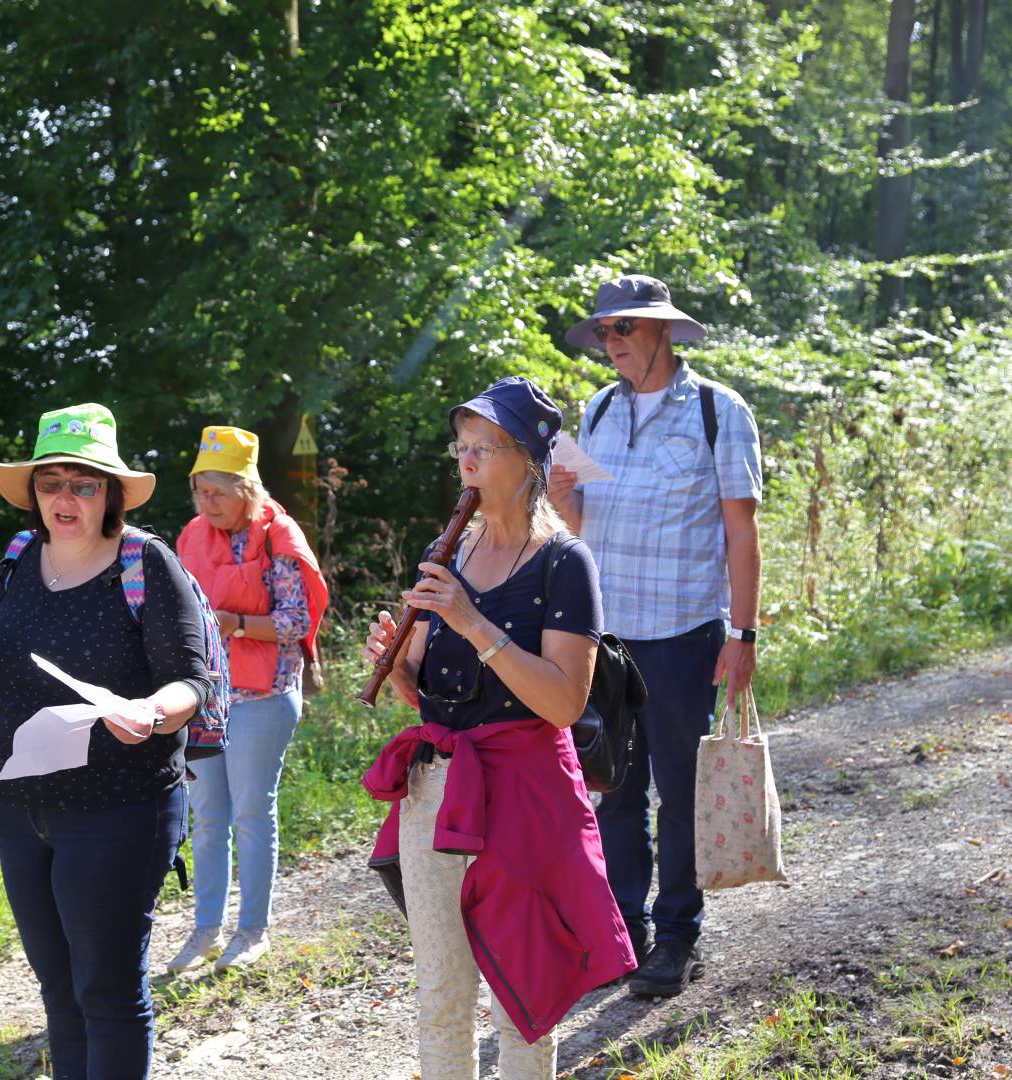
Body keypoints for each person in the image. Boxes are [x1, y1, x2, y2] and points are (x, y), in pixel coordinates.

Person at [362, 377, 636, 1080]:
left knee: (525, 994)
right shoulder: (446, 547)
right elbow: (422, 693)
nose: (468, 462)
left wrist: (470, 621)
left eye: (484, 447)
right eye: (462, 447)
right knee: (442, 989)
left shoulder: (565, 561)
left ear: (528, 459)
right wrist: (393, 662)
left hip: (527, 790)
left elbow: (564, 703)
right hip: (437, 790)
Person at [0, 403, 217, 1079]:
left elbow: (189, 682)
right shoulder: (20, 559)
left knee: (105, 994)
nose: (65, 498)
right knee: (59, 993)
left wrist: (150, 710)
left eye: (84, 483)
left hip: (118, 812)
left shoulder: (145, 564)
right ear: (33, 493)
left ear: (110, 493)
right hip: (21, 814)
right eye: (51, 483)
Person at [548, 273, 764, 998]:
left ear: (663, 330)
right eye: (603, 331)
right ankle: (624, 934)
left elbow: (741, 531)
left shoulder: (717, 412)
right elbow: (581, 528)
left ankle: (677, 937)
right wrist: (563, 503)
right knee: (610, 788)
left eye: (624, 329)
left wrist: (744, 633)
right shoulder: (600, 410)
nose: (610, 343)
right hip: (603, 639)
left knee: (677, 792)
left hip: (681, 638)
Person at [168, 426, 329, 974]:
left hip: (264, 695)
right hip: (207, 697)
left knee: (250, 810)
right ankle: (206, 930)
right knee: (207, 815)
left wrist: (231, 623)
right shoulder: (191, 535)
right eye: (200, 492)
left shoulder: (279, 536)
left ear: (247, 489)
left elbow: (296, 620)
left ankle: (252, 931)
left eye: (217, 492)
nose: (206, 504)